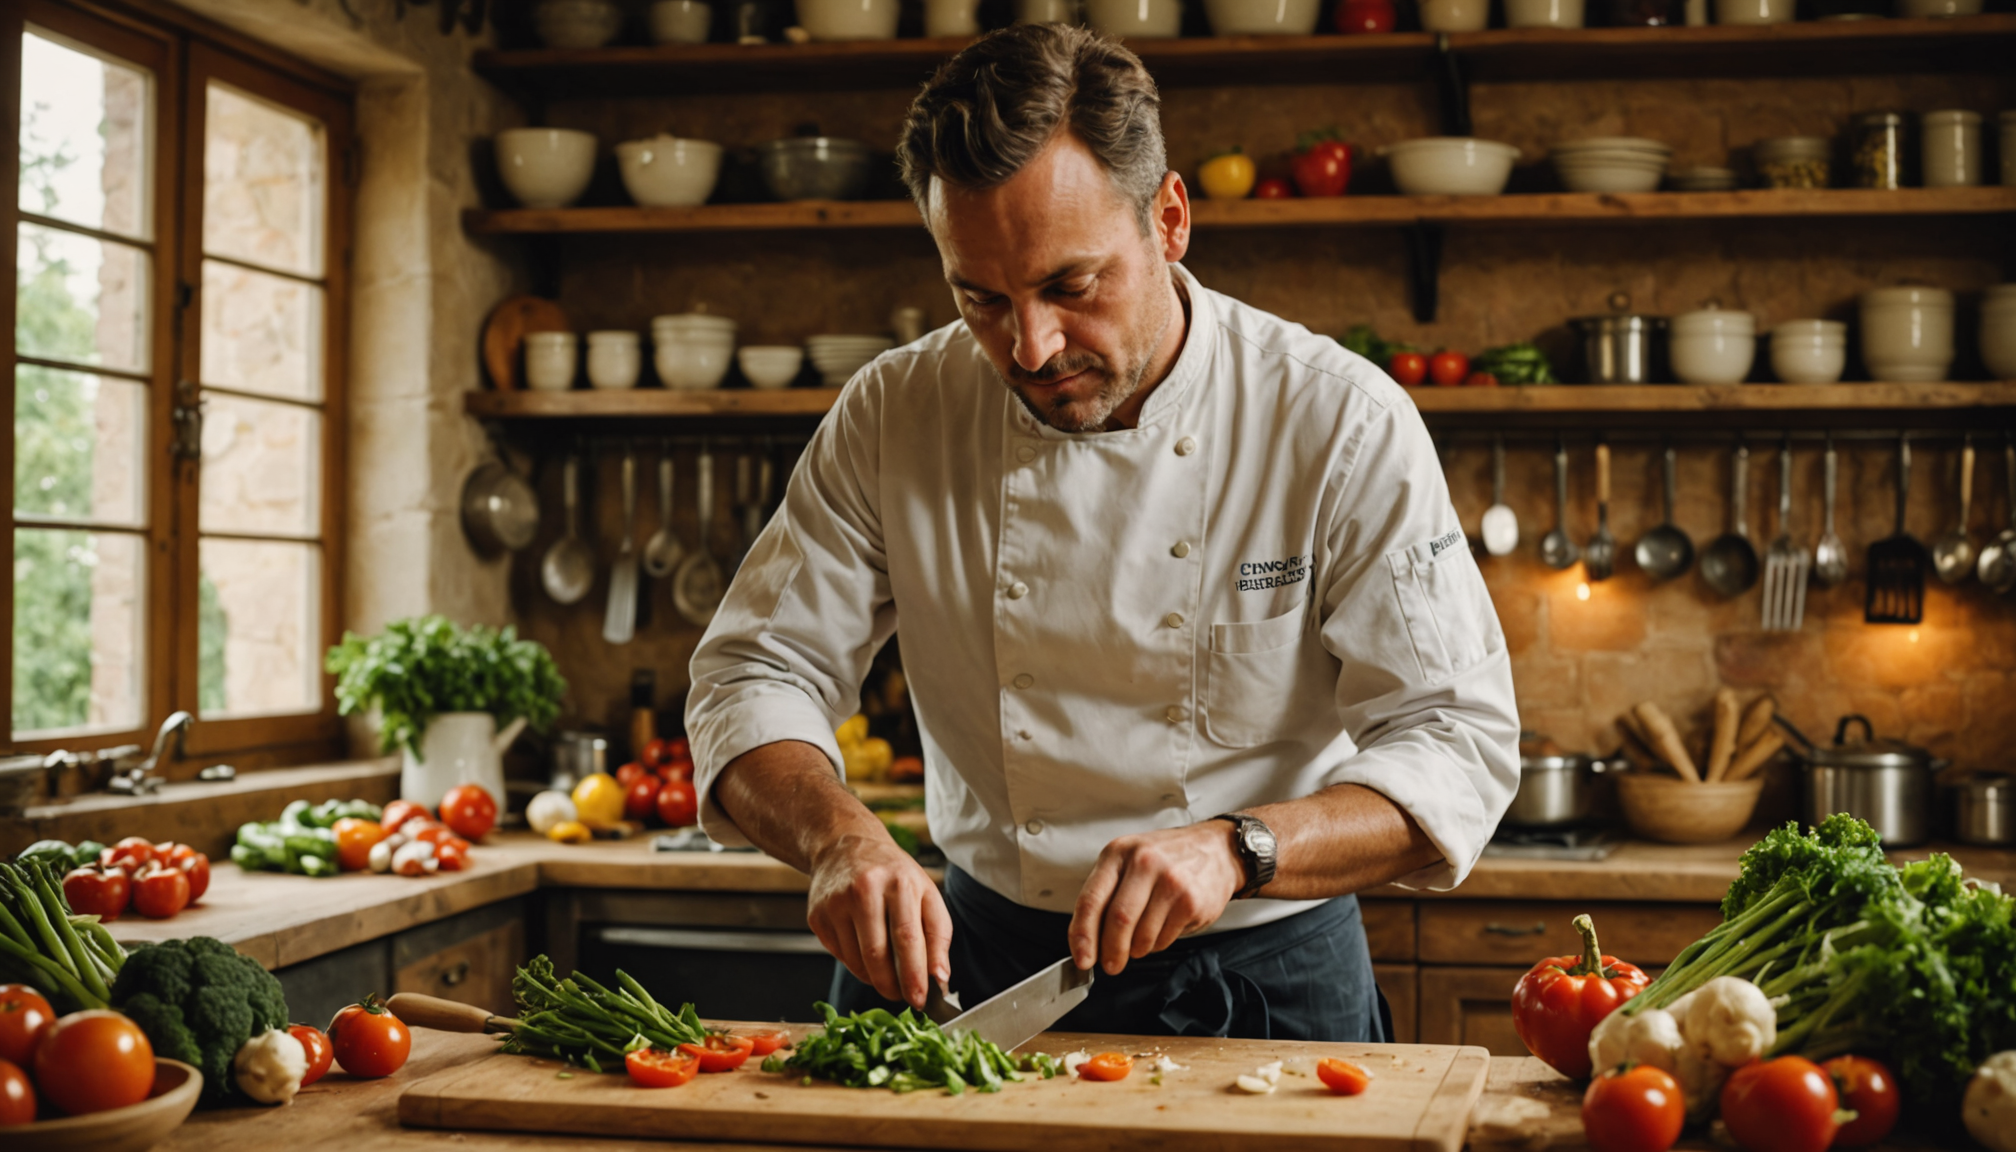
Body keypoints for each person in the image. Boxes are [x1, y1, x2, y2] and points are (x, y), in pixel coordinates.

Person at [685, 23, 1518, 1043]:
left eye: (1071, 287)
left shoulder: (1335, 421)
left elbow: (1454, 740)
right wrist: (836, 840)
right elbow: (753, 674)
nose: (1029, 346)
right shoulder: (896, 411)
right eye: (980, 297)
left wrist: (1241, 847)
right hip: (966, 962)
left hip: (1262, 975)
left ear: (1169, 219)